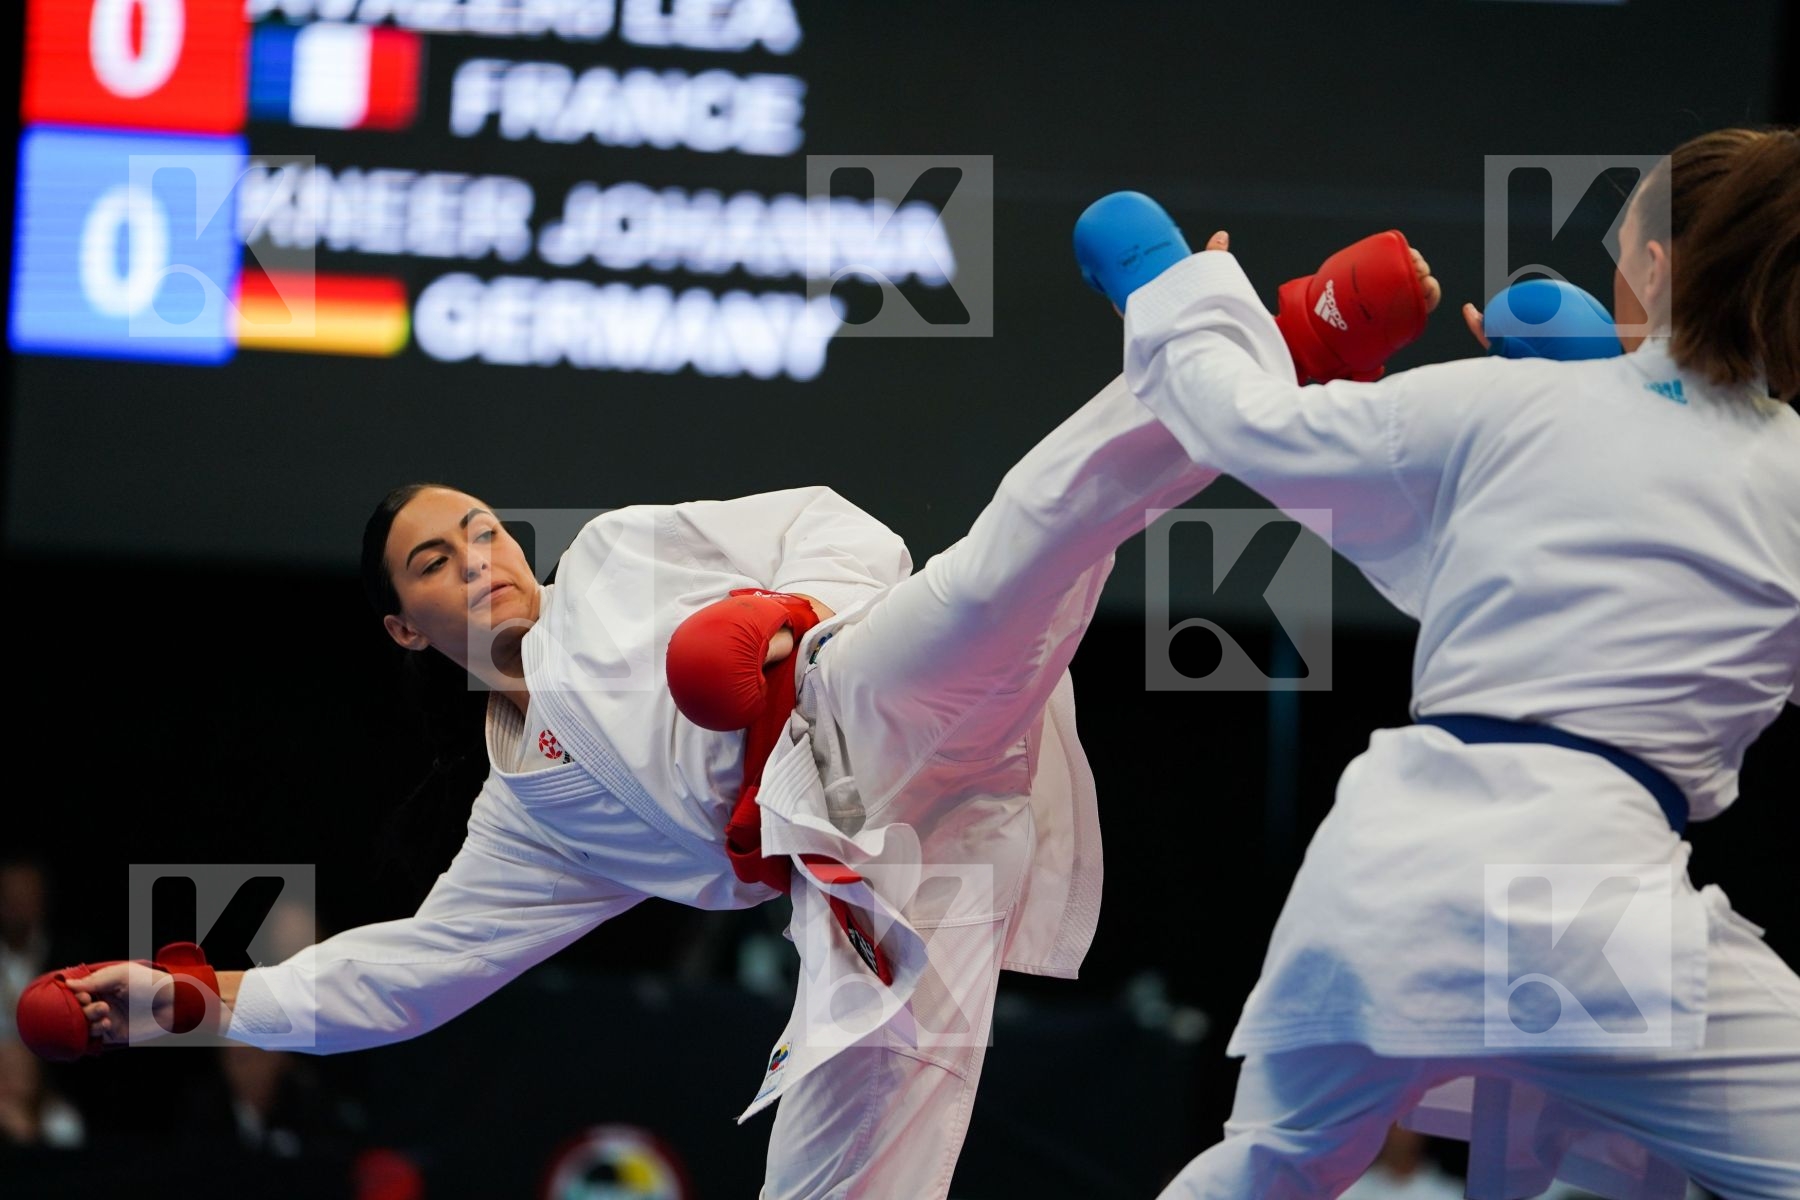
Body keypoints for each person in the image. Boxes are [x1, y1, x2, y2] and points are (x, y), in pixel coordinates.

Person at [35, 233, 1439, 1200]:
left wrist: (778, 635)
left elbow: (845, 528)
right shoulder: (526, 821)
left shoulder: (624, 557)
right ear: (407, 628)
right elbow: (395, 984)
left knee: (1036, 540)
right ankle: (1237, 354)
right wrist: (194, 1003)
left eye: (480, 527)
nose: (482, 555)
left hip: (874, 696)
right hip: (892, 896)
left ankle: (1264, 332)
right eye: (436, 561)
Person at [1104, 127, 1800, 1199]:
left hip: (1386, 875)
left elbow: (1252, 424)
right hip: (1595, 899)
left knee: (1270, 1168)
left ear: (1659, 269)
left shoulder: (1507, 402)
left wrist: (1170, 285)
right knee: (1629, 1162)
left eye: (1620, 261)